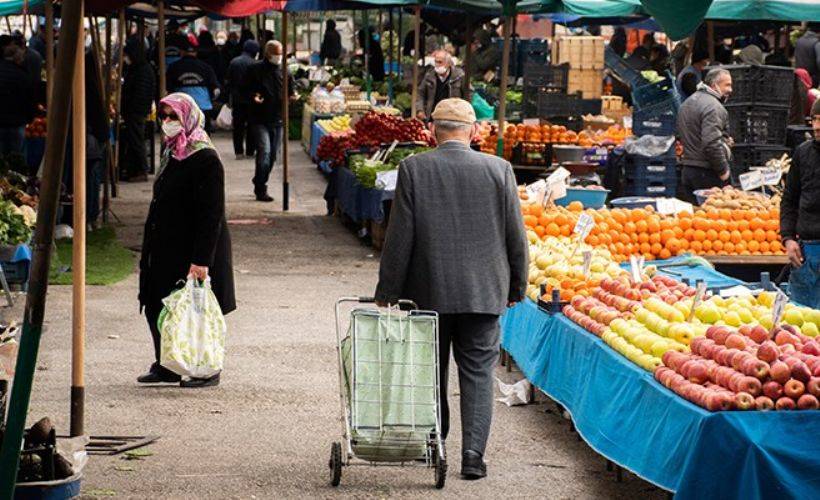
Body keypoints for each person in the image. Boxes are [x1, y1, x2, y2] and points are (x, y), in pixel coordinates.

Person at [374, 98, 528, 480]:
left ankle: (436, 444)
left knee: (431, 370)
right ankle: (473, 455)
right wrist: (517, 284)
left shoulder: (413, 168)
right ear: (475, 132)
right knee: (477, 373)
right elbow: (516, 235)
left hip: (427, 290)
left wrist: (388, 289)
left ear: (432, 132)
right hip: (483, 292)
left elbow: (400, 236)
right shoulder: (500, 170)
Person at [138, 92, 235, 388]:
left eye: (173, 117)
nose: (167, 123)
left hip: (193, 247)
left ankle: (205, 368)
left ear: (188, 118)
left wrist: (201, 260)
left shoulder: (204, 157)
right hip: (166, 243)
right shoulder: (172, 152)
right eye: (163, 117)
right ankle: (167, 364)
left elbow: (211, 214)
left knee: (195, 310)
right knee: (159, 304)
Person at [781, 99, 820, 308]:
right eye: (814, 119)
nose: (817, 126)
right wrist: (788, 238)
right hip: (807, 251)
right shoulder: (803, 153)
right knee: (802, 322)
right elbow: (789, 199)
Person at [245, 40, 295, 202]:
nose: (278, 57)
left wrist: (292, 97)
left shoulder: (285, 71)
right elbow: (245, 89)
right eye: (276, 54)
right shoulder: (255, 69)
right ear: (267, 54)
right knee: (264, 152)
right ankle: (261, 187)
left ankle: (259, 180)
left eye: (281, 54)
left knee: (273, 155)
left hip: (278, 119)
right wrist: (254, 96)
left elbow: (291, 92)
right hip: (259, 119)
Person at [676, 68, 734, 204]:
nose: (731, 89)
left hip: (688, 170)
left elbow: (690, 134)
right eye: (727, 85)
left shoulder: (687, 103)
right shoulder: (714, 107)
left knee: (695, 219)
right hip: (706, 172)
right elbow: (711, 144)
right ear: (714, 85)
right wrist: (724, 172)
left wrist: (724, 141)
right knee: (711, 220)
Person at [120, 37, 156, 182]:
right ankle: (134, 169)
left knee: (136, 140)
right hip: (136, 110)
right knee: (134, 139)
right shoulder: (139, 68)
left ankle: (141, 170)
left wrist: (131, 107)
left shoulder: (142, 70)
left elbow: (141, 93)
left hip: (136, 111)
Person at [166, 40, 220, 132]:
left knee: (182, 134)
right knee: (203, 134)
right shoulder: (206, 67)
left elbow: (168, 88)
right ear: (196, 53)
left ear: (182, 52)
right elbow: (216, 89)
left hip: (181, 107)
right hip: (203, 106)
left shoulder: (173, 67)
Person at [225, 40, 259, 160]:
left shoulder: (234, 62)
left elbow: (228, 81)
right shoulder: (256, 64)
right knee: (251, 126)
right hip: (252, 101)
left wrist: (228, 99)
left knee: (238, 126)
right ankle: (250, 151)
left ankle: (238, 152)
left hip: (237, 100)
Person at [0, 38, 34, 156]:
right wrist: (29, 118)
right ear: (18, 59)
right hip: (17, 123)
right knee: (17, 159)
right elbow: (29, 100)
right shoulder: (23, 76)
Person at [416, 50, 471, 121]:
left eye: (440, 62)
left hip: (453, 116)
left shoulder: (459, 76)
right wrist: (420, 110)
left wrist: (464, 111)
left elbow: (469, 93)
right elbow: (420, 93)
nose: (437, 65)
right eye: (436, 62)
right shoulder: (429, 76)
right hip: (433, 116)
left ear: (448, 63)